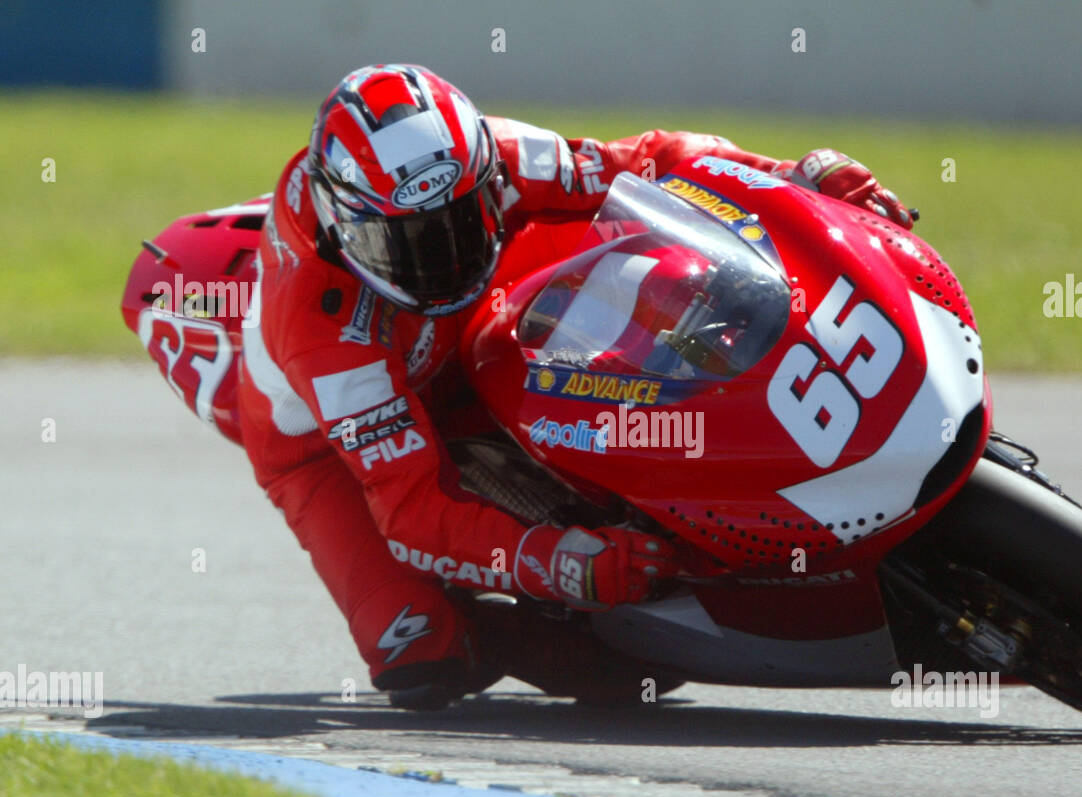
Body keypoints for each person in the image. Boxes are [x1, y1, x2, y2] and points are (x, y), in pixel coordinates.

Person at [235, 63, 915, 710]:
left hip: (487, 314)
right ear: (345, 228)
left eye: (458, 222)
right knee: (417, 647)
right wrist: (557, 564)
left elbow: (653, 161)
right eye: (409, 245)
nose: (441, 261)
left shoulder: (498, 156)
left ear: (480, 175)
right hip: (323, 447)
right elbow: (412, 514)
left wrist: (793, 175)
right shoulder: (323, 329)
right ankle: (564, 635)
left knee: (672, 272)